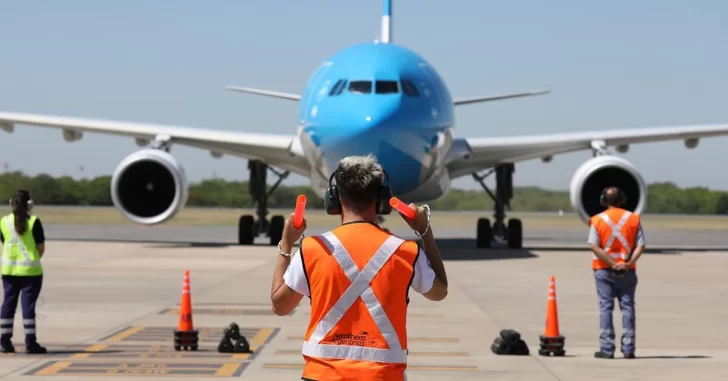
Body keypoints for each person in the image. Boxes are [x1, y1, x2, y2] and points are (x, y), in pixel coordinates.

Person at [270, 154, 448, 381]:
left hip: (322, 375)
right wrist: (425, 232)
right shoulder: (405, 251)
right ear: (382, 199)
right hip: (383, 376)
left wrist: (286, 244)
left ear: (333, 198)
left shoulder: (313, 248)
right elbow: (439, 292)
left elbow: (280, 306)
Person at [587, 186, 644, 360]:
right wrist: (627, 264)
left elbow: (593, 245)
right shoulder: (633, 219)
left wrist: (612, 263)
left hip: (604, 271)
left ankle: (607, 348)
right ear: (623, 199)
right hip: (628, 272)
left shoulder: (597, 220)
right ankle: (628, 348)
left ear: (604, 200)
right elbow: (641, 245)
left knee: (606, 308)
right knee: (628, 308)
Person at [0, 189, 47, 354]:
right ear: (30, 205)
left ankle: (4, 341)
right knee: (28, 307)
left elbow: (4, 242)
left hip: (8, 272)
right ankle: (30, 343)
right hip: (30, 272)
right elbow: (41, 248)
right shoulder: (34, 222)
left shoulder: (3, 222)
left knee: (7, 305)